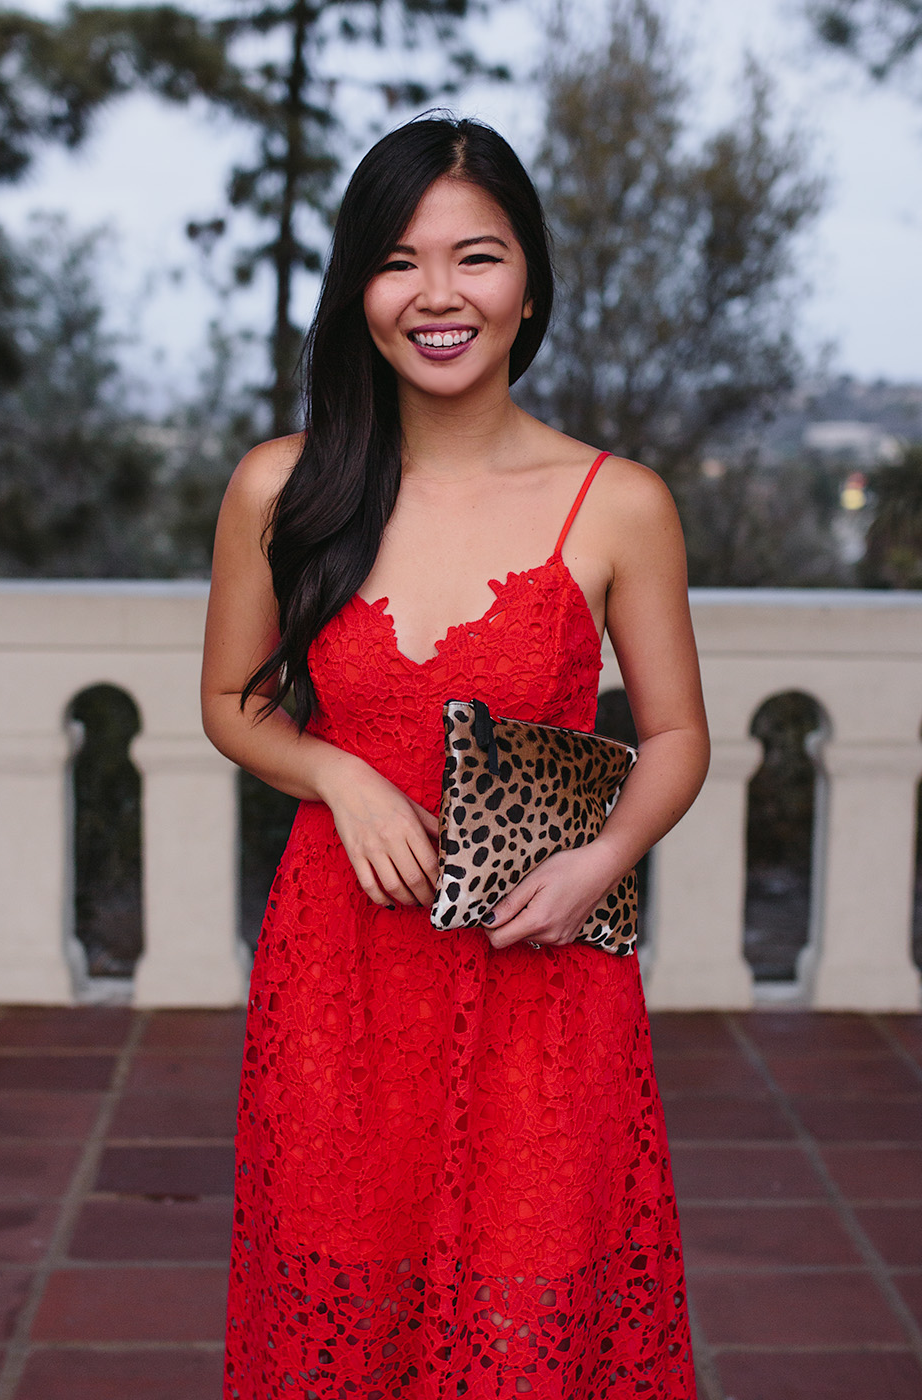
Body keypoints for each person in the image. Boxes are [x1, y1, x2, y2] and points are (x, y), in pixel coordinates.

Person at [202, 114, 709, 1400]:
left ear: (528, 284)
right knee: (339, 1311)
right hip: (340, 971)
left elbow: (676, 735)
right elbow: (229, 698)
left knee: (530, 1320)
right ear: (358, 287)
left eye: (474, 256)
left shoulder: (620, 500)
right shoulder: (282, 486)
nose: (437, 295)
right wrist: (338, 771)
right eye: (397, 260)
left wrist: (605, 857)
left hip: (541, 974)